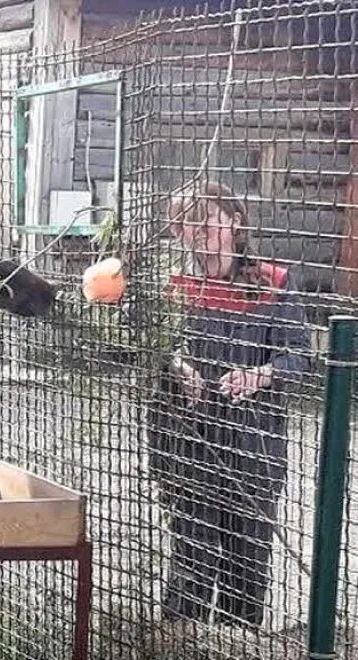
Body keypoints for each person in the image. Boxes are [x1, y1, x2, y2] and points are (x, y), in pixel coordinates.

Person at [147, 181, 311, 626]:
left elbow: (300, 352)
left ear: (235, 221)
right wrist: (179, 368)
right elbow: (156, 344)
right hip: (188, 437)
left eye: (206, 220)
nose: (196, 233)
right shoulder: (174, 283)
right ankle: (177, 643)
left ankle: (238, 641)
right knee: (191, 551)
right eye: (184, 224)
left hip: (252, 440)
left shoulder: (272, 282)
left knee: (246, 555)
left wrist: (259, 375)